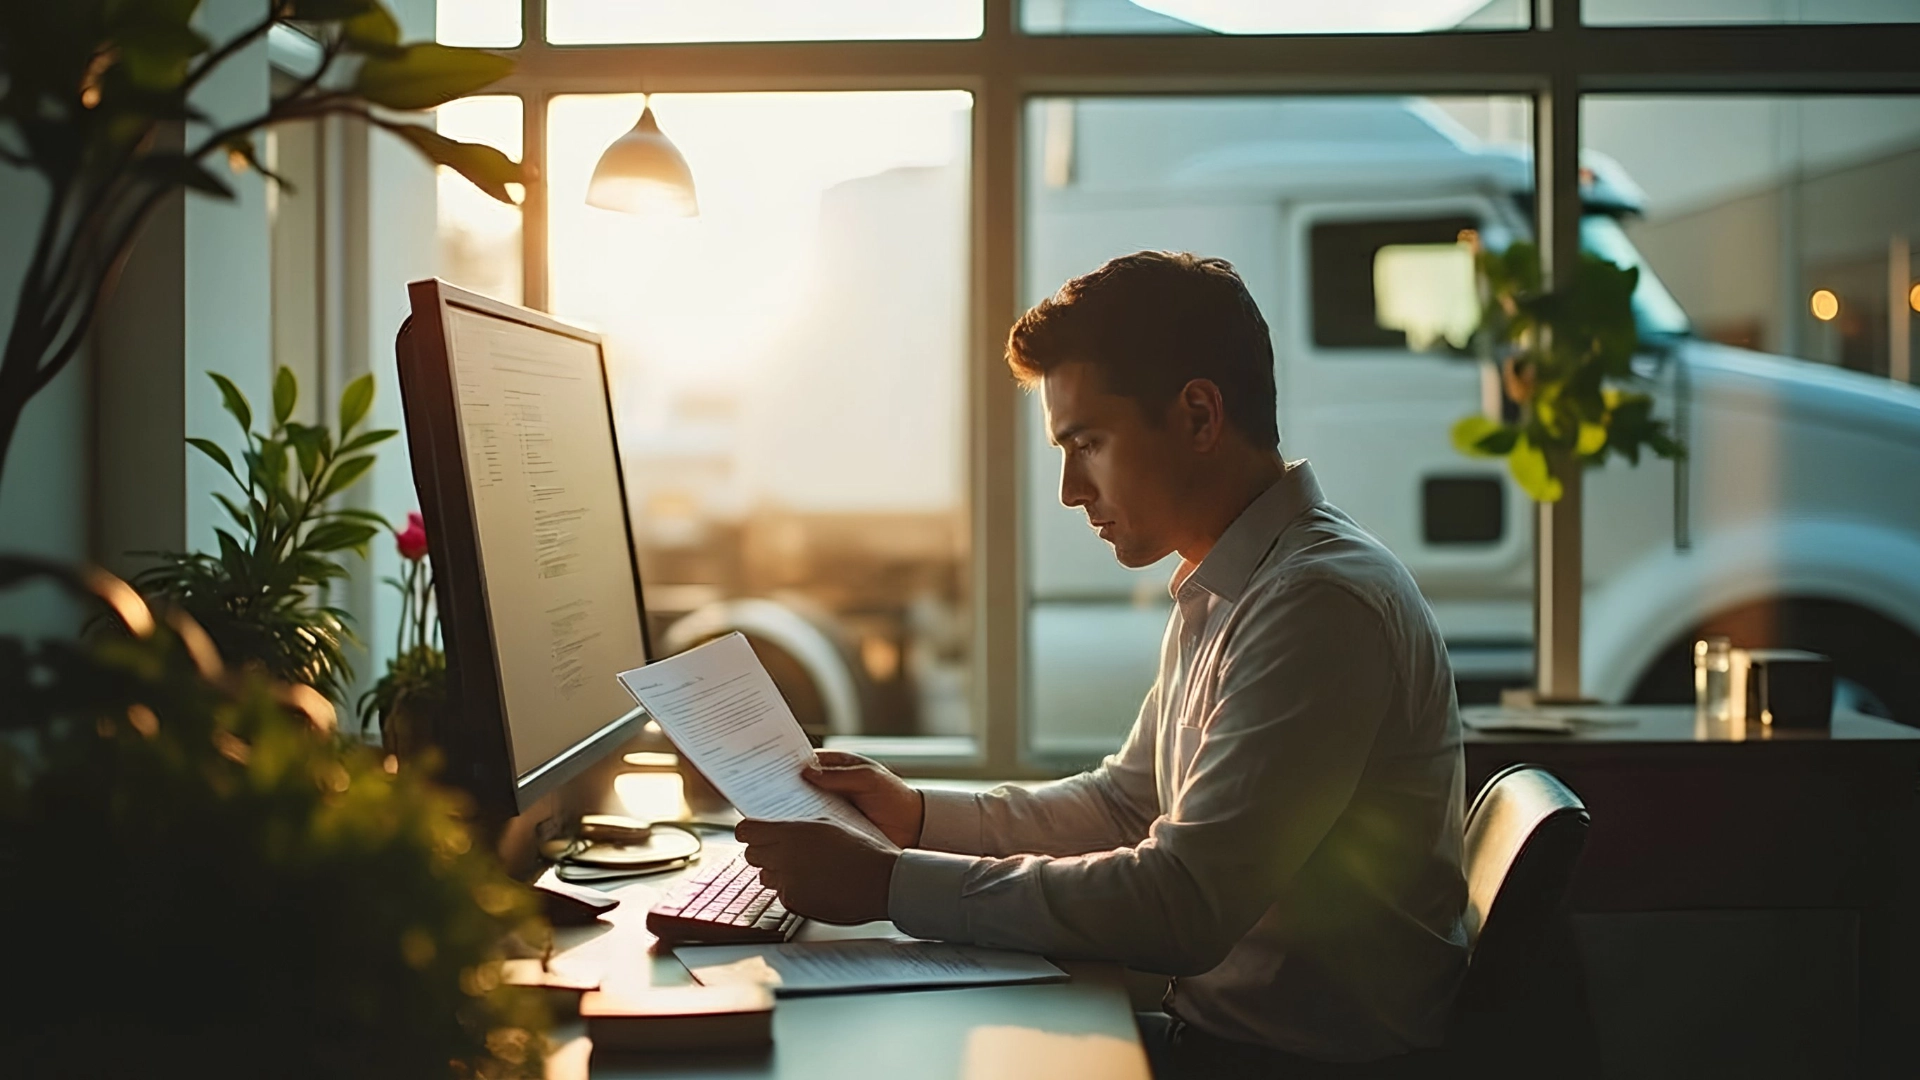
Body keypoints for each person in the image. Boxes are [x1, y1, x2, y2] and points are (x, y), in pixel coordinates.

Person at [737, 251, 1468, 1077]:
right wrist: (913, 816)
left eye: (1086, 442)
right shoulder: (1234, 582)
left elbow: (1183, 906)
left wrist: (891, 886)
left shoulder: (1318, 604)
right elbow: (1127, 805)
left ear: (1198, 417)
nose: (1067, 489)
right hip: (1238, 1043)